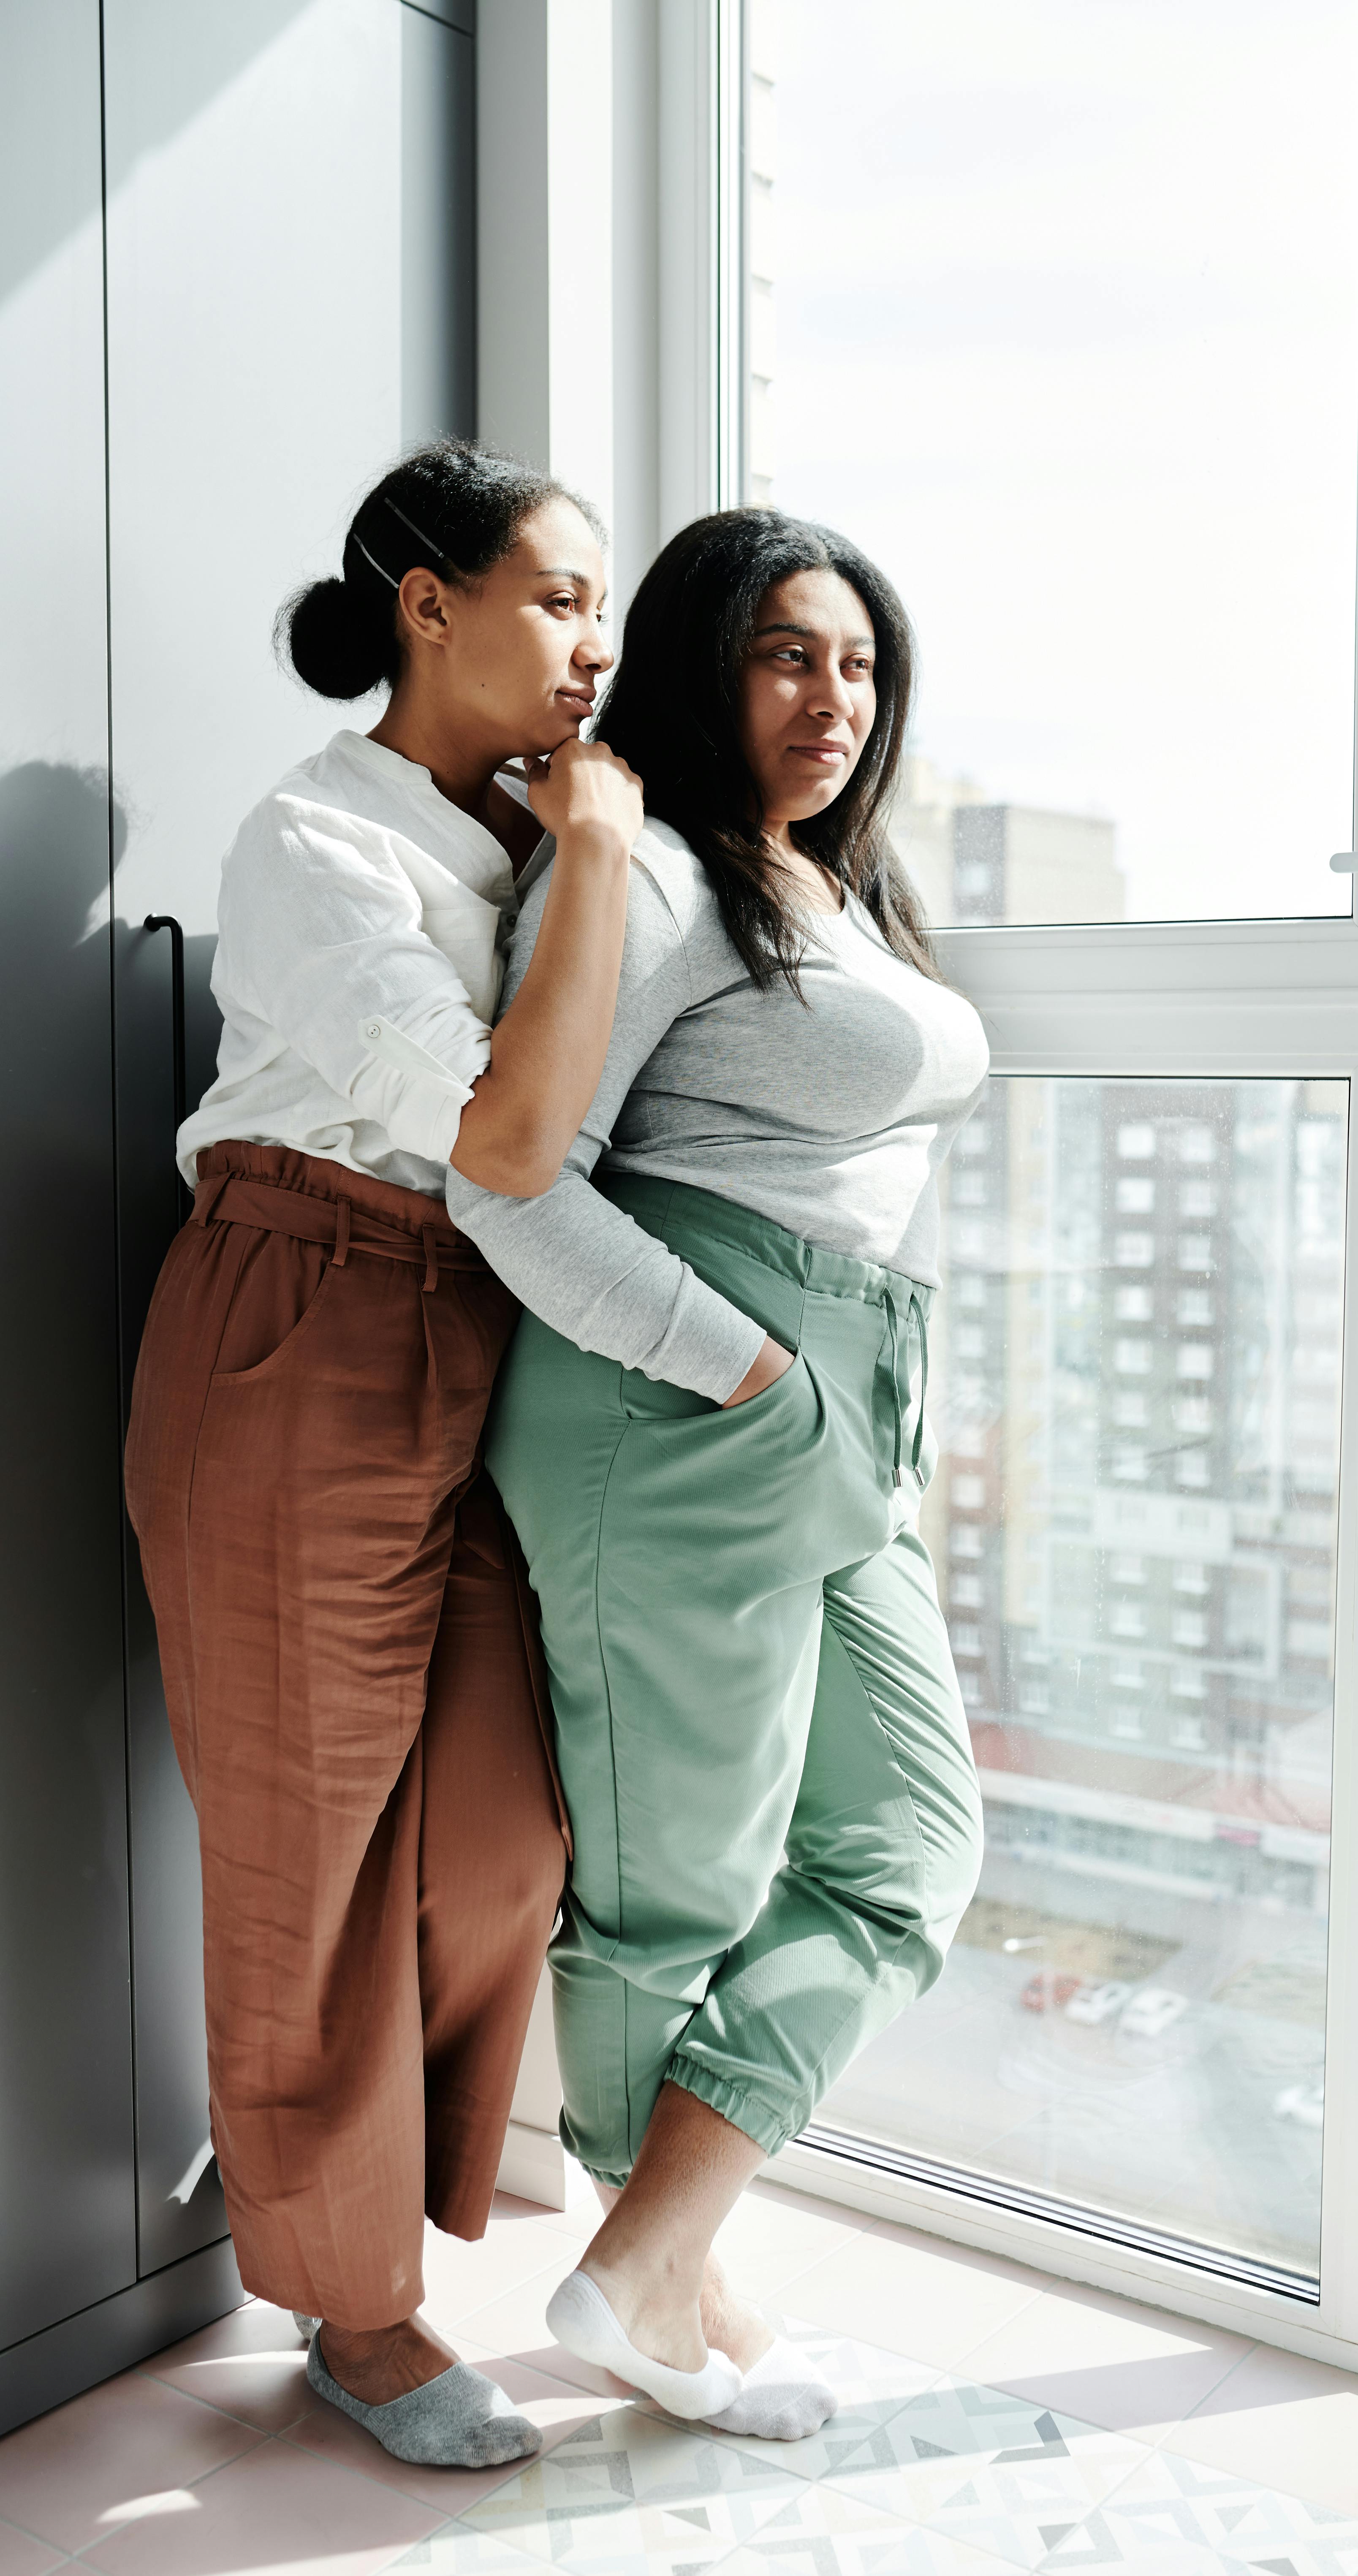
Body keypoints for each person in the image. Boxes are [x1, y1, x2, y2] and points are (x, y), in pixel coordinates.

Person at [124, 439, 643, 2469]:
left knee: (506, 1828)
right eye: (557, 595)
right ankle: (358, 2310)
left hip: (475, 1320)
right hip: (300, 1314)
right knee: (305, 1851)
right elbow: (500, 1130)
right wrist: (594, 847)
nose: (592, 642)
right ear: (427, 604)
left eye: (600, 604)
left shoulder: (528, 825)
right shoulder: (316, 834)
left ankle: (357, 2185)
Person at [448, 508, 988, 2440]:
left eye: (854, 660)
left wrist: (827, 1385)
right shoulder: (656, 880)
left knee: (908, 1845)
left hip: (833, 1413)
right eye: (782, 654)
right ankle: (649, 2277)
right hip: (679, 1409)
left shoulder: (822, 890)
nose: (829, 695)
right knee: (680, 1888)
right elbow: (506, 1179)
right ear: (697, 666)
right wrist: (742, 1367)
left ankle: (647, 2263)